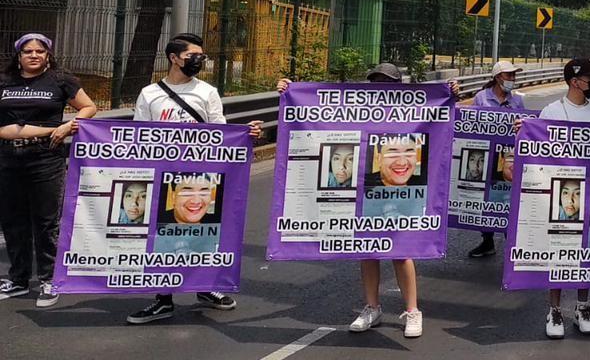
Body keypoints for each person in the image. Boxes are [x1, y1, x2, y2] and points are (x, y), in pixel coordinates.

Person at [277, 62, 423, 338]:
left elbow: (438, 117)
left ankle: (412, 311)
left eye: (387, 82)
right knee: (366, 248)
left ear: (397, 86)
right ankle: (372, 307)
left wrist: (450, 92)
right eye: (376, 81)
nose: (380, 87)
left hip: (393, 190)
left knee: (401, 250)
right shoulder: (358, 110)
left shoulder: (412, 110)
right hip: (361, 187)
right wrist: (289, 91)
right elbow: (319, 111)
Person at [125, 33, 261, 325]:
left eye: (202, 56)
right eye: (193, 56)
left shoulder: (207, 92)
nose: (200, 61)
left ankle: (204, 286)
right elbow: (139, 136)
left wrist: (246, 134)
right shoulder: (150, 94)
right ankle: (163, 298)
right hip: (163, 177)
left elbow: (220, 132)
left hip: (201, 176)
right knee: (163, 236)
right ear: (175, 58)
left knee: (202, 233)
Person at [0, 33, 97, 308]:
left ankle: (48, 279)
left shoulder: (60, 80)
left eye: (39, 51)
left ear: (48, 55)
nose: (33, 55)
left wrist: (68, 125)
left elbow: (90, 107)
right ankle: (18, 280)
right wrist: (49, 129)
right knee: (12, 220)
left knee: (46, 221)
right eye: (27, 51)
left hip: (45, 158)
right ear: (18, 56)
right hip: (7, 158)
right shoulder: (5, 82)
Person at [532, 58, 590, 339]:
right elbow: (536, 149)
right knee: (559, 252)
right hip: (561, 194)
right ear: (575, 81)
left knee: (585, 253)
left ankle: (582, 307)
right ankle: (554, 310)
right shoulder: (552, 110)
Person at [467, 61, 525, 260]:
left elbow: (523, 130)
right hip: (486, 158)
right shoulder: (481, 98)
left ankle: (511, 244)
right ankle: (487, 240)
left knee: (507, 201)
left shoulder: (516, 102)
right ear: (498, 77)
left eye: (514, 76)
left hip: (508, 159)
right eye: (509, 76)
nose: (512, 79)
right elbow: (469, 125)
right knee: (487, 202)